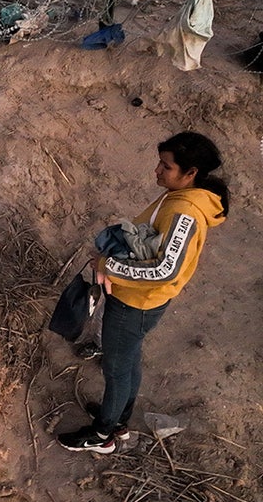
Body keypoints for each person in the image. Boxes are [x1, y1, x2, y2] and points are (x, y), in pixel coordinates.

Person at [57, 132, 229, 453]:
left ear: (190, 173)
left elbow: (166, 270)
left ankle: (103, 435)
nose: (157, 171)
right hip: (138, 301)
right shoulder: (183, 196)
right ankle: (118, 419)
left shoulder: (187, 212)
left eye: (166, 166)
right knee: (129, 359)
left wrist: (109, 266)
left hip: (135, 303)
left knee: (116, 369)